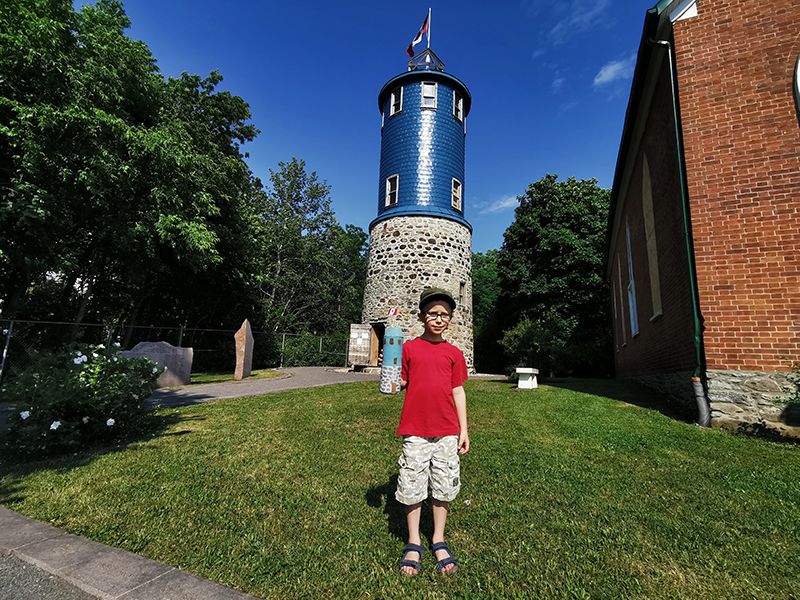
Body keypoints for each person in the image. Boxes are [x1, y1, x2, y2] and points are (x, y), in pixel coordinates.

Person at [396, 287, 469, 577]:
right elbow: (401, 381)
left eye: (444, 315)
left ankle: (438, 537)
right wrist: (390, 379)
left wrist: (464, 429)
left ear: (450, 319)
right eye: (433, 314)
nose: (438, 319)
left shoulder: (453, 353)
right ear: (422, 316)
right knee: (412, 483)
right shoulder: (409, 348)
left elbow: (458, 390)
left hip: (447, 430)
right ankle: (414, 539)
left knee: (443, 485)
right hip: (415, 428)